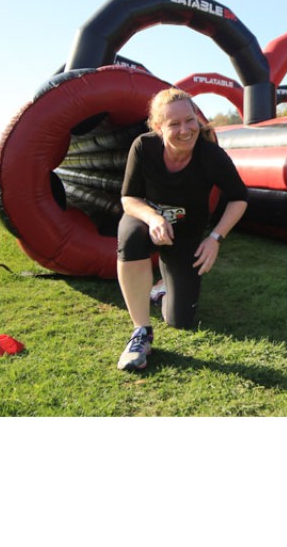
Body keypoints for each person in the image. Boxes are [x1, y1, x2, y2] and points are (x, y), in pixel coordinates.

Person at [115, 88, 248, 371]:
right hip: (148, 225)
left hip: (186, 235)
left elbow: (239, 198)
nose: (185, 130)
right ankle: (141, 332)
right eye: (174, 124)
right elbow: (129, 199)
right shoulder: (143, 146)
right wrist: (152, 218)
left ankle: (161, 288)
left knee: (180, 320)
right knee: (130, 234)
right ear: (158, 127)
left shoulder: (211, 155)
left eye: (190, 121)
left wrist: (215, 238)